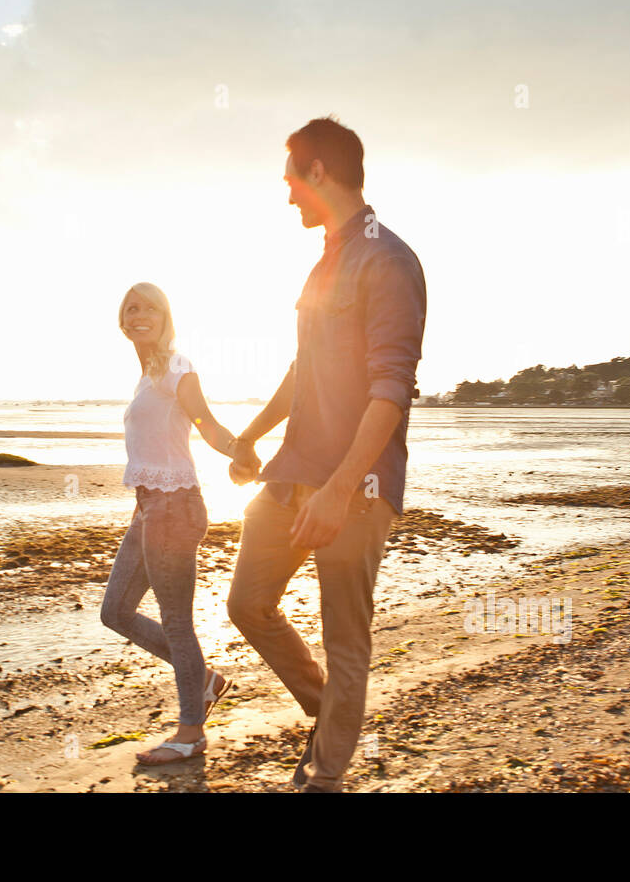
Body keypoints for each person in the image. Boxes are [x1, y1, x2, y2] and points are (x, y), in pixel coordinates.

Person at [226, 116, 427, 792]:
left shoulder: (389, 260)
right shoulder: (325, 260)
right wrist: (253, 435)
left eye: (290, 178)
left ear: (319, 173)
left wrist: (344, 489)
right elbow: (301, 368)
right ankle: (329, 715)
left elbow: (391, 387)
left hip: (355, 489)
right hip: (289, 474)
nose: (285, 195)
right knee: (247, 604)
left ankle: (324, 778)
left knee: (346, 643)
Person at [100, 282, 243, 764]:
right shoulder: (146, 376)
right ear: (123, 322)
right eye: (131, 308)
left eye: (150, 308)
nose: (140, 315)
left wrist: (242, 454)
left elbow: (205, 422)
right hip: (148, 508)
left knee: (177, 624)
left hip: (175, 508)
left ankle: (190, 733)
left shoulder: (176, 368)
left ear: (166, 318)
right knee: (115, 612)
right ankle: (203, 680)